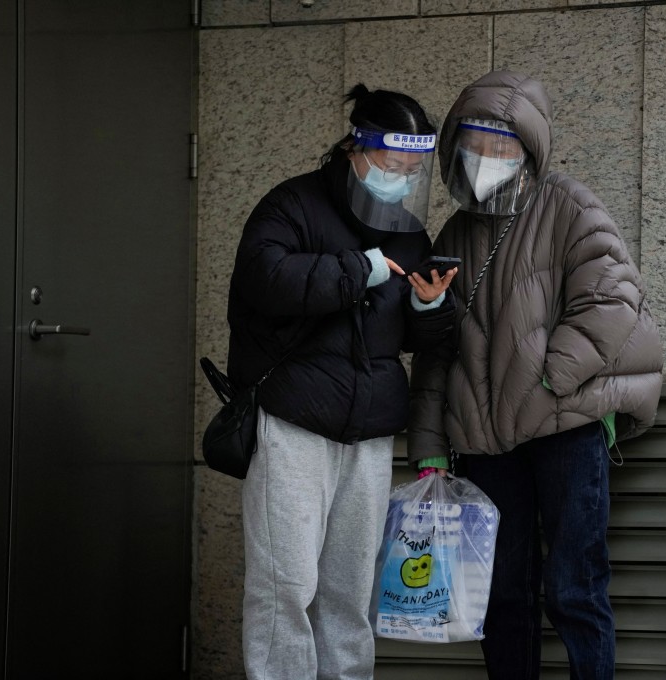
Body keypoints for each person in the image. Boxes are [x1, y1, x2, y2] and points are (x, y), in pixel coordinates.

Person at [408, 70, 663, 679]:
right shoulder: (453, 233)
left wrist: (549, 377)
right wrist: (430, 448)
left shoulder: (569, 204)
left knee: (576, 586)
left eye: (504, 144)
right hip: (484, 441)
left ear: (531, 149)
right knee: (503, 595)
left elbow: (613, 300)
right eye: (475, 142)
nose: (488, 157)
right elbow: (436, 349)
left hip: (566, 427)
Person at [226, 84, 457, 680]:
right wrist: (362, 268)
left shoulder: (407, 230)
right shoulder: (292, 206)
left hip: (371, 430)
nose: (403, 181)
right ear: (356, 150)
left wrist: (431, 309)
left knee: (350, 592)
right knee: (288, 583)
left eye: (413, 171)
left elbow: (417, 340)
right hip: (294, 419)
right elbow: (266, 280)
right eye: (392, 166)